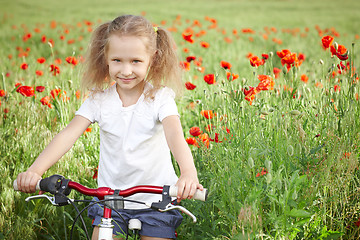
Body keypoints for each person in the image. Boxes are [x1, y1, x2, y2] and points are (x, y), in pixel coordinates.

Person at [16, 14, 203, 240]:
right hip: (111, 202)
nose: (126, 70)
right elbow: (68, 135)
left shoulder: (160, 98)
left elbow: (175, 135)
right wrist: (35, 171)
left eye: (135, 61)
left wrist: (188, 173)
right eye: (117, 60)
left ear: (152, 58)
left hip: (157, 201)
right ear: (105, 57)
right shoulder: (99, 101)